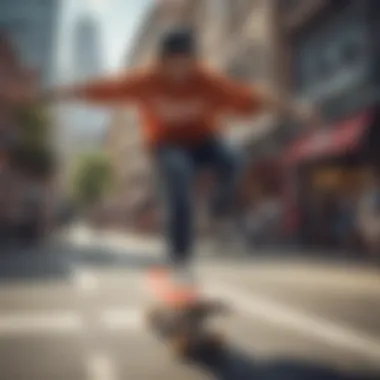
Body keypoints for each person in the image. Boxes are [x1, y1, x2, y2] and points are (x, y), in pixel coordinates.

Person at [8, 28, 320, 290]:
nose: (180, 72)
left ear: (193, 60)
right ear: (162, 61)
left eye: (186, 64)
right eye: (173, 64)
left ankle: (221, 207)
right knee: (179, 174)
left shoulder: (207, 80)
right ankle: (180, 259)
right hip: (166, 146)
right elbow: (96, 89)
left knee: (235, 158)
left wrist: (295, 109)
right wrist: (46, 95)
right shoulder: (145, 80)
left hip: (203, 141)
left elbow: (255, 96)